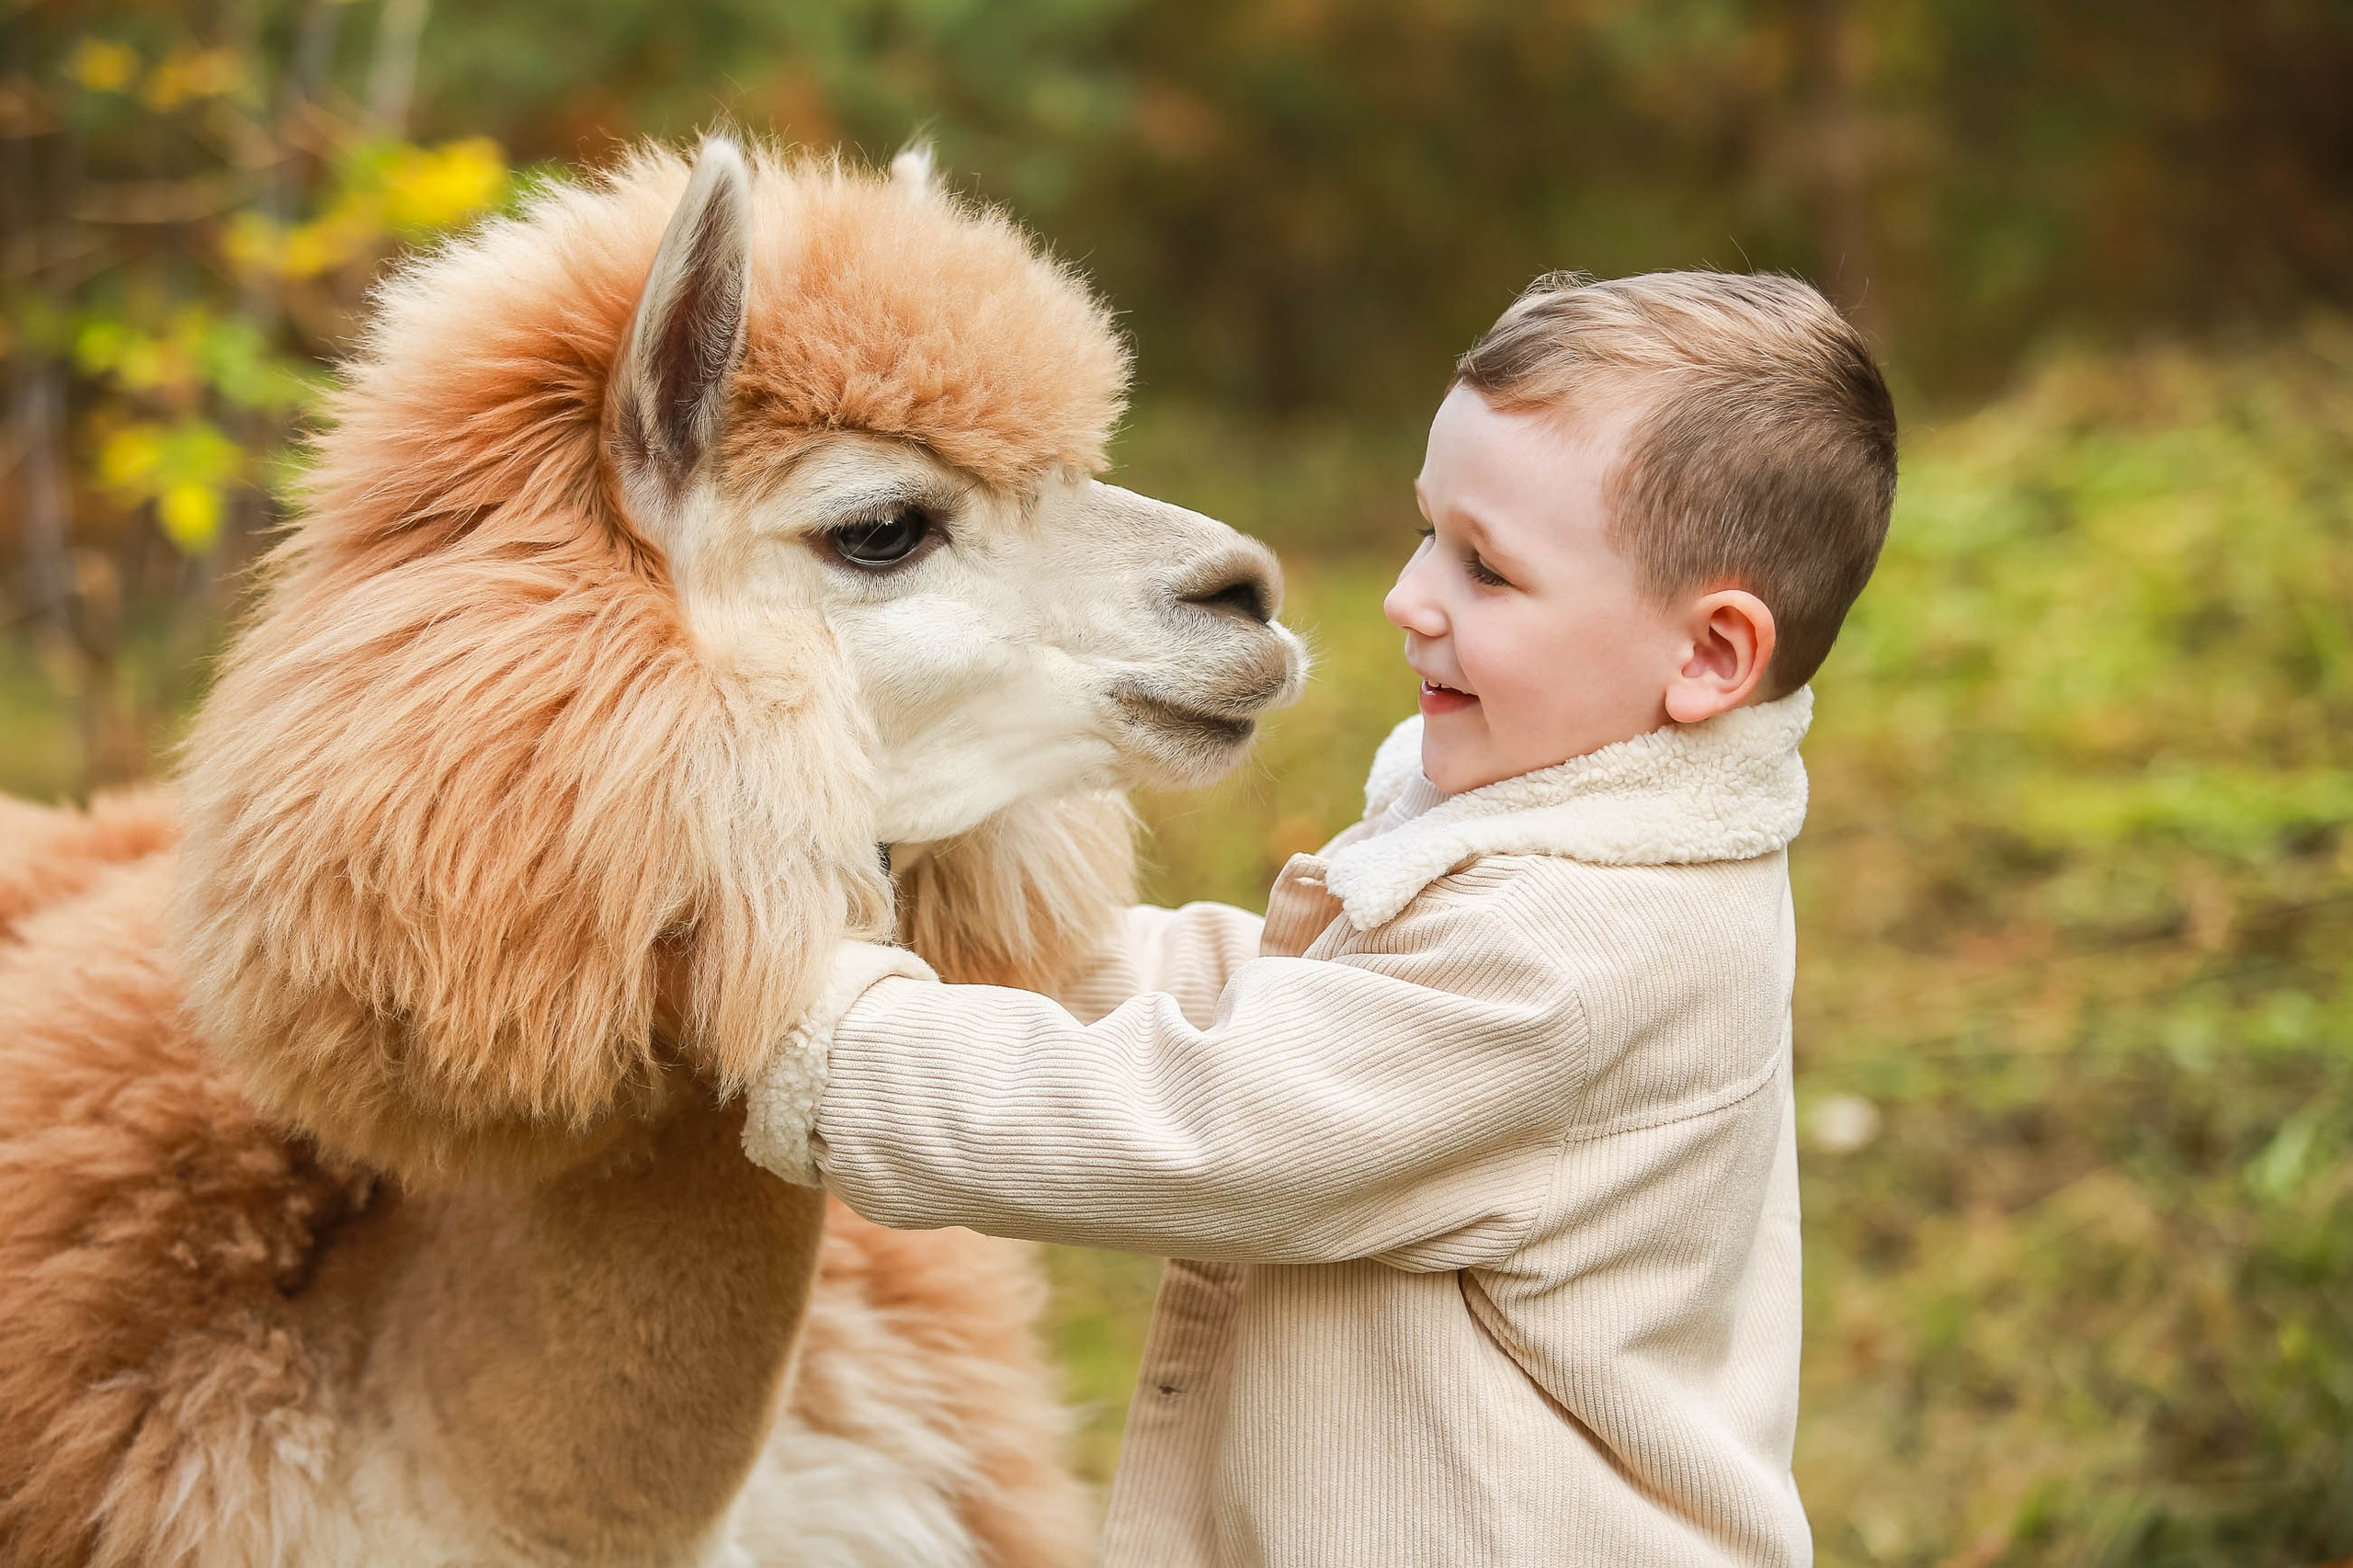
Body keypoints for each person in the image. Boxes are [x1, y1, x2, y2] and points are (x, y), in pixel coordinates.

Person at [744, 269, 1897, 1567]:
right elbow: (1321, 1010)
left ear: (1707, 656)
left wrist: (824, 1036)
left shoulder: (1578, 953)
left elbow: (1206, 1125)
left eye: (1488, 569)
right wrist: (1048, 962)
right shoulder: (1574, 837)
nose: (1411, 595)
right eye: (1426, 533)